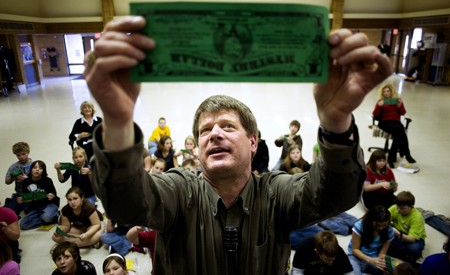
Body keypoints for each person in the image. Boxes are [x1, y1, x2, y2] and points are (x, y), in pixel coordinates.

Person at [84, 17, 392, 275]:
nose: (215, 134)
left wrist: (336, 121)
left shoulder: (276, 194)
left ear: (254, 142)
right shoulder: (178, 192)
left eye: (228, 126)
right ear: (195, 149)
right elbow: (126, 203)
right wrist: (117, 122)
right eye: (205, 130)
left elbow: (335, 194)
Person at [372, 83, 415, 168]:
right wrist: (379, 107)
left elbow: (403, 112)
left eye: (387, 91)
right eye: (384, 92)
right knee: (401, 131)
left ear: (391, 92)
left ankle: (391, 159)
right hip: (384, 122)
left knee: (398, 134)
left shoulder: (396, 100)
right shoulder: (380, 101)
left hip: (396, 122)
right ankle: (406, 154)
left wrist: (399, 106)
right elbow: (375, 115)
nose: (386, 93)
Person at [347, 205, 394, 275]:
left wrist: (381, 262)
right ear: (371, 220)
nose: (381, 228)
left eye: (384, 225)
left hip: (375, 258)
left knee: (394, 270)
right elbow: (355, 250)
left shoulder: (389, 230)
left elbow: (382, 252)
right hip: (357, 257)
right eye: (378, 225)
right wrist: (370, 260)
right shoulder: (359, 226)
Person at [19, 160, 60, 230]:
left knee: (46, 217)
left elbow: (54, 195)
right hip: (36, 206)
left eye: (40, 168)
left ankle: (53, 216)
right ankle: (51, 219)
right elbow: (27, 199)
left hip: (49, 204)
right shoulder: (25, 182)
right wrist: (23, 199)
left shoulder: (47, 180)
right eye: (35, 168)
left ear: (43, 171)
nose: (37, 170)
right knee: (23, 225)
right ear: (31, 169)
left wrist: (51, 196)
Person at [388, 191, 426, 264]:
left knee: (414, 248)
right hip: (398, 231)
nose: (398, 210)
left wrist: (399, 235)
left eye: (402, 208)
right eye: (398, 207)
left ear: (411, 206)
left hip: (413, 238)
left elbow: (411, 239)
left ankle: (401, 252)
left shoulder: (417, 217)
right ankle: (403, 254)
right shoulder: (395, 208)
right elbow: (384, 218)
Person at [4, 141, 32, 217]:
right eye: (18, 155)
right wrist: (13, 176)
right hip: (19, 194)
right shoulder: (14, 166)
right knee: (6, 211)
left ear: (28, 152)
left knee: (29, 211)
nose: (21, 157)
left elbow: (42, 181)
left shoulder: (35, 165)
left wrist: (27, 179)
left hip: (32, 195)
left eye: (23, 154)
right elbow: (7, 181)